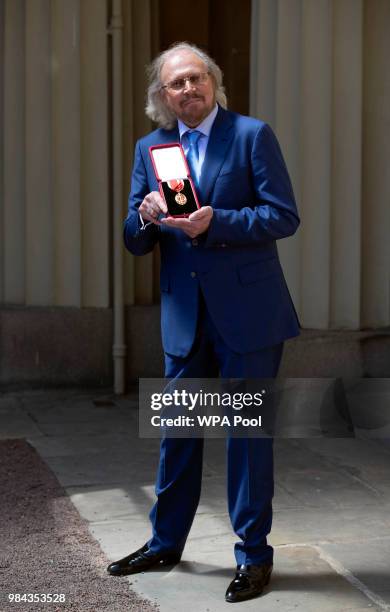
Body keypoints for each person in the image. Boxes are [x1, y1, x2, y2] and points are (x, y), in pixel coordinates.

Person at [107, 42, 300, 603]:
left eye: (196, 78)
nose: (188, 89)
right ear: (162, 97)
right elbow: (133, 240)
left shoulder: (251, 135)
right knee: (177, 436)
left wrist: (217, 222)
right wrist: (143, 217)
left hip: (248, 314)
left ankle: (254, 558)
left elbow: (283, 214)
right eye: (176, 84)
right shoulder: (152, 146)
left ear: (212, 81)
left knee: (246, 437)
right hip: (184, 318)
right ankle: (165, 542)